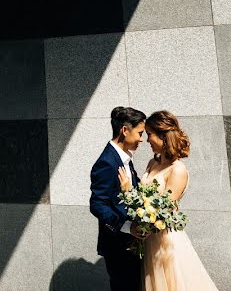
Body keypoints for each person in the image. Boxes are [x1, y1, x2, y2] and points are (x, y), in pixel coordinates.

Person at [117, 110, 220, 291]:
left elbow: (161, 212)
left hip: (166, 243)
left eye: (149, 135)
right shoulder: (152, 163)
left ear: (163, 136)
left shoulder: (177, 171)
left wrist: (127, 193)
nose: (146, 140)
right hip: (150, 242)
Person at [90, 106, 149, 291]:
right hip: (117, 245)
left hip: (131, 244)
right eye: (140, 133)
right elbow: (97, 204)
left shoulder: (125, 158)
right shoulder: (107, 162)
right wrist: (127, 227)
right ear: (125, 130)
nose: (142, 139)